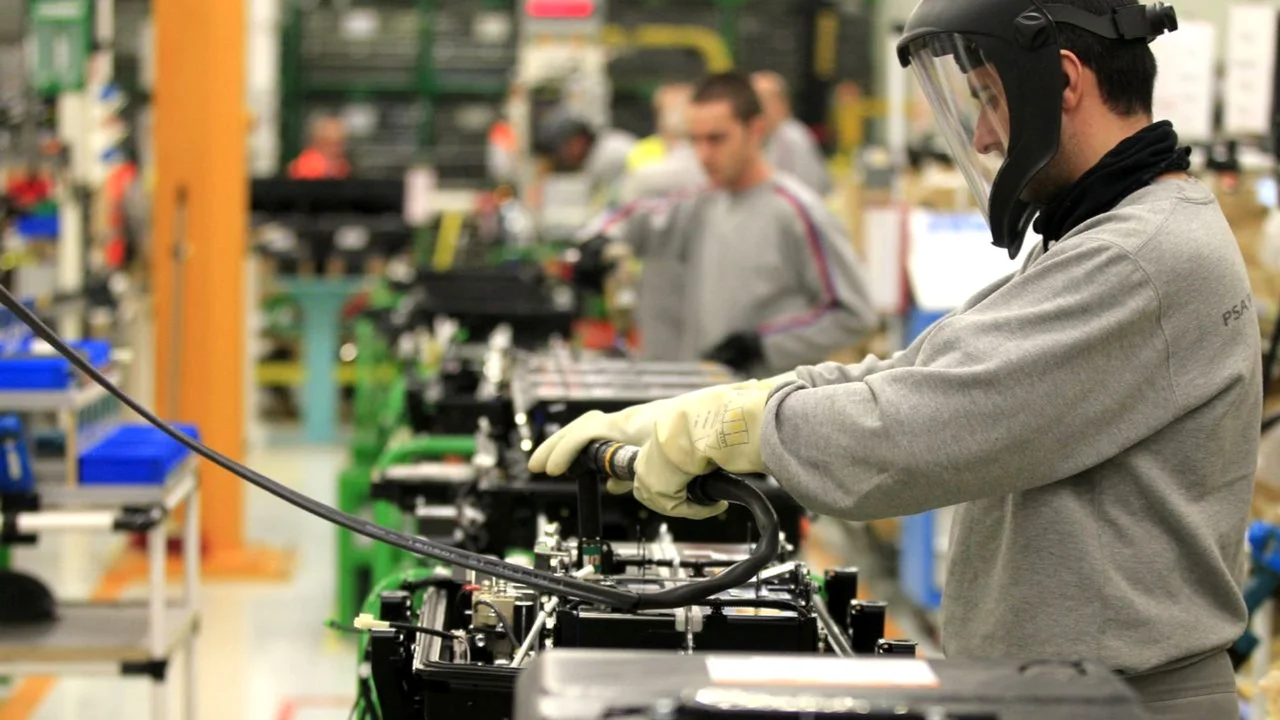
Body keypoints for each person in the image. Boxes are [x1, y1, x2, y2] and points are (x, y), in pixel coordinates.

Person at [534, 2, 1257, 718]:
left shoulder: (1138, 258)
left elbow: (923, 423)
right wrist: (712, 407)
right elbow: (915, 372)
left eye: (990, 99)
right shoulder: (1100, 238)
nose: (983, 137)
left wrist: (735, 429)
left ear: (1064, 81)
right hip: (1062, 689)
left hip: (1123, 700)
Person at [574, 72, 874, 376]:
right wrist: (601, 241)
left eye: (716, 139)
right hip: (711, 393)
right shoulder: (703, 203)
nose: (703, 155)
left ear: (755, 130)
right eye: (695, 140)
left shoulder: (797, 212)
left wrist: (762, 345)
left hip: (774, 398)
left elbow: (853, 312)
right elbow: (636, 217)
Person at [751, 71, 832, 196]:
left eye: (764, 100)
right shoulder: (743, 137)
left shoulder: (795, 137)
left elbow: (811, 189)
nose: (758, 108)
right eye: (753, 100)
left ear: (783, 104)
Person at [534, 111, 636, 200]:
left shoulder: (608, 154)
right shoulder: (602, 147)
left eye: (562, 151)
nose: (563, 159)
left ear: (579, 140)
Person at [288, 115, 351, 180]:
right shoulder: (305, 167)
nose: (337, 149)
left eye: (340, 143)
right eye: (329, 143)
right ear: (317, 141)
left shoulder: (343, 166)